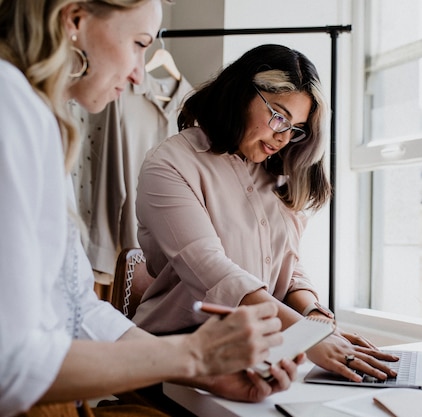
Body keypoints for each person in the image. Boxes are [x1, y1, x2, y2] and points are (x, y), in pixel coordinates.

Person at [0, 2, 301, 417]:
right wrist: (192, 356)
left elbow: (76, 311)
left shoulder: (37, 116)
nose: (140, 73)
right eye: (139, 43)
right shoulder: (10, 105)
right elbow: (9, 364)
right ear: (73, 20)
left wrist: (204, 371)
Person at [133, 43, 399, 383]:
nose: (283, 137)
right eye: (279, 116)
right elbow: (214, 273)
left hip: (261, 348)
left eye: (295, 128)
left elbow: (287, 264)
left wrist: (315, 316)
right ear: (242, 93)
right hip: (176, 355)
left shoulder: (274, 171)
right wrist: (307, 335)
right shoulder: (169, 165)